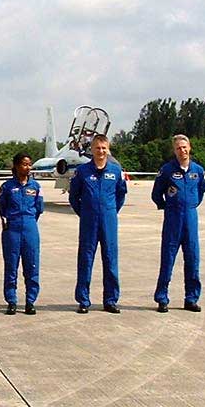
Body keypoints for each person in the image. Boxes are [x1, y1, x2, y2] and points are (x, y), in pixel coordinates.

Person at [69, 134, 127, 314]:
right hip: (89, 221)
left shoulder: (116, 171)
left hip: (109, 220)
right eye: (97, 148)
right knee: (86, 260)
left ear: (107, 149)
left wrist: (110, 211)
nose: (100, 151)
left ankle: (110, 300)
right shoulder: (83, 171)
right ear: (91, 150)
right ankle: (83, 300)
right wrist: (86, 212)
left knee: (110, 260)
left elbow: (121, 195)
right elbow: (73, 197)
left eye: (104, 148)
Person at [151, 134, 205, 313]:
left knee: (192, 259)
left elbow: (201, 191)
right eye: (178, 148)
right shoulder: (167, 170)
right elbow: (156, 194)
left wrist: (190, 205)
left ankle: (191, 298)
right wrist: (167, 207)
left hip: (190, 220)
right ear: (174, 150)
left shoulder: (197, 170)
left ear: (189, 147)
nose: (182, 150)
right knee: (167, 259)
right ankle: (162, 298)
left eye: (184, 147)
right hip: (173, 220)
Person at [0, 153, 44, 315]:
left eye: (29, 164)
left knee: (32, 265)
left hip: (30, 228)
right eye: (24, 164)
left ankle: (30, 301)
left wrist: (28, 221)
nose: (28, 167)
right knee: (11, 266)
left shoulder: (35, 187)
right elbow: (2, 207)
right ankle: (11, 301)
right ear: (16, 166)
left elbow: (39, 209)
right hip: (12, 229)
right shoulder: (7, 187)